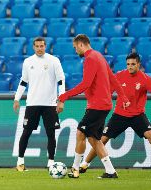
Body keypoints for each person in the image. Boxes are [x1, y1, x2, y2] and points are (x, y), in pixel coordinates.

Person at [80, 52, 151, 176]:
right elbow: (107, 92)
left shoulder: (145, 79)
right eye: (128, 64)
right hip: (120, 115)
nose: (130, 66)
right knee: (102, 139)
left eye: (133, 64)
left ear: (138, 64)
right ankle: (85, 164)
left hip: (138, 115)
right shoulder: (120, 76)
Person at [56, 34, 130, 179]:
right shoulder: (99, 56)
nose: (75, 51)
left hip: (98, 105)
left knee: (80, 133)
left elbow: (86, 84)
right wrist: (124, 97)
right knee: (93, 139)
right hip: (103, 104)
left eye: (75, 47)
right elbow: (113, 79)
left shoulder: (89, 58)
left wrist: (64, 96)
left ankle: (75, 169)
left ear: (81, 45)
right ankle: (110, 171)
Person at [13, 37, 65, 171]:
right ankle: (20, 162)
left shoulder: (54, 60)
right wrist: (17, 98)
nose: (39, 48)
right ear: (33, 47)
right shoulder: (28, 61)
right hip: (32, 103)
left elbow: (61, 80)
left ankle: (51, 163)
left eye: (42, 46)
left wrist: (61, 99)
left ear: (45, 46)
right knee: (26, 132)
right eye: (37, 46)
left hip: (50, 104)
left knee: (51, 134)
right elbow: (23, 81)